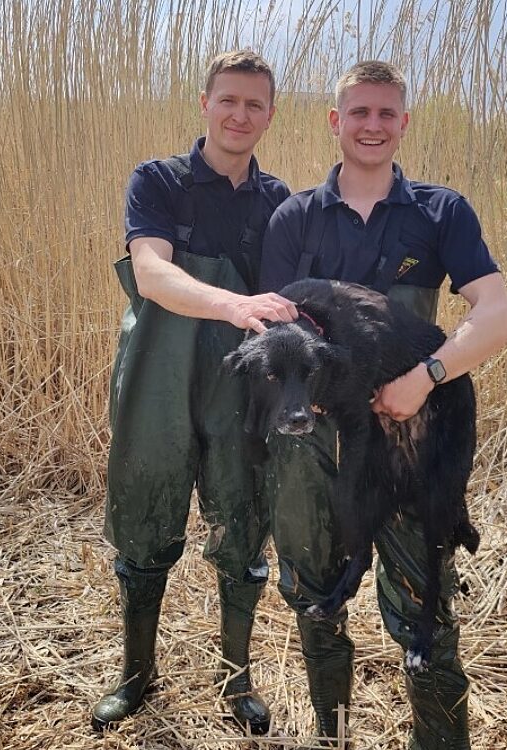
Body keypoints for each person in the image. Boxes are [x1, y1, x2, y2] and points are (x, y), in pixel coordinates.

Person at [258, 61, 507, 749]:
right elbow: (271, 336)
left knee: (424, 610)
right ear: (333, 121)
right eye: (358, 113)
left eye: (385, 114)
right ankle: (333, 736)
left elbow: (497, 317)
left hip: (408, 434)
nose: (372, 126)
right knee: (313, 594)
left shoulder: (440, 211)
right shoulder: (295, 218)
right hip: (313, 443)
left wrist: (427, 377)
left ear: (403, 123)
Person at [95, 49, 296, 734]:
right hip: (161, 370)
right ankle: (136, 677)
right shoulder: (157, 181)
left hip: (242, 383)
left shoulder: (278, 202)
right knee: (146, 516)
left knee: (244, 523)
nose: (240, 114)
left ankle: (237, 683)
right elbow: (151, 275)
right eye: (228, 100)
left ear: (270, 115)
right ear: (206, 102)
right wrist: (232, 306)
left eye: (255, 104)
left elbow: (296, 301)